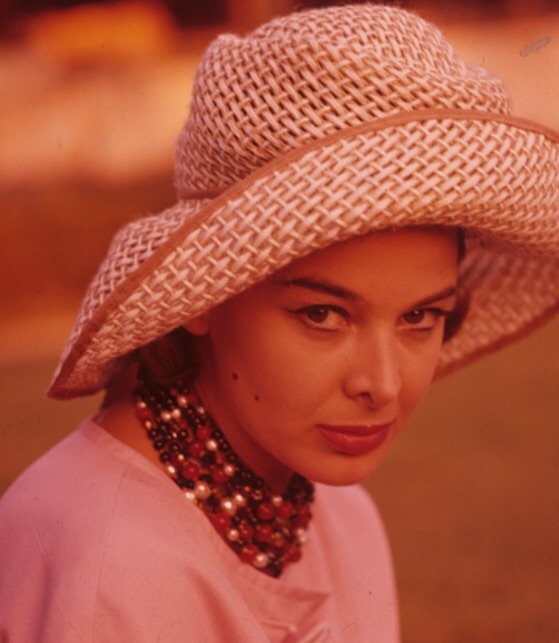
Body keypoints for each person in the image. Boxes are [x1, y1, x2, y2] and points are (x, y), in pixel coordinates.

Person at [1, 3, 558, 642]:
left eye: (420, 316)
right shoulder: (107, 569)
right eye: (322, 315)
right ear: (203, 295)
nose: (382, 385)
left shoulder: (339, 517)